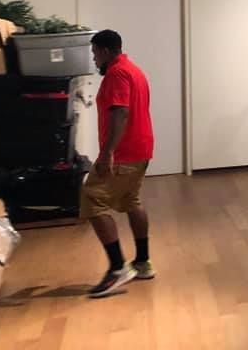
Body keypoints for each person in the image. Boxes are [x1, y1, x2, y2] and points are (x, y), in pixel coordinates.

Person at [81, 29, 155, 298]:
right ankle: (143, 263)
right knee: (131, 200)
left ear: (105, 50)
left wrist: (107, 152)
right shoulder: (134, 70)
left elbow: (121, 112)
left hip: (124, 152)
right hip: (141, 148)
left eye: (94, 53)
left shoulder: (116, 73)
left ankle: (116, 268)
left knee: (92, 198)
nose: (94, 58)